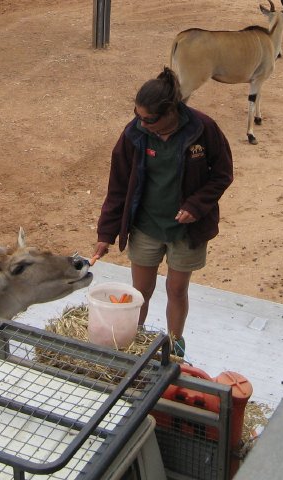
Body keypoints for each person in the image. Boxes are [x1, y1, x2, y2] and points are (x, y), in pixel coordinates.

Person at [92, 67, 233, 358]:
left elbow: (222, 174)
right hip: (146, 226)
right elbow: (118, 185)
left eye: (149, 119)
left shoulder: (203, 129)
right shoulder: (134, 134)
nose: (141, 123)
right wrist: (106, 233)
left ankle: (174, 346)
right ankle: (130, 345)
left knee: (177, 290)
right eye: (137, 115)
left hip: (186, 232)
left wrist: (196, 206)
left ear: (172, 111)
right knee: (139, 292)